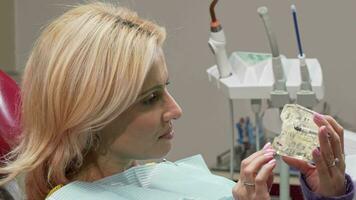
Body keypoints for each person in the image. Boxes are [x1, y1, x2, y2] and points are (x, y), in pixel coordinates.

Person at [0, 2, 353, 200]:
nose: (176, 110)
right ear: (92, 114)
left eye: (165, 89)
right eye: (151, 98)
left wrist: (329, 193)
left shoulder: (160, 173)